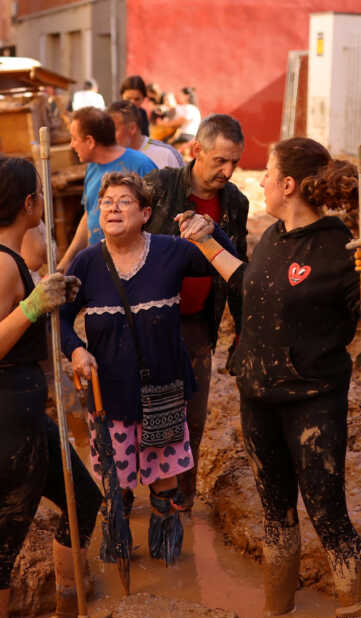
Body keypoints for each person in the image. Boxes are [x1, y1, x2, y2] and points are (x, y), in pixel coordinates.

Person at [179, 137, 361, 616]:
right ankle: (276, 616)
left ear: (288, 184)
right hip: (257, 396)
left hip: (312, 401)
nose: (259, 182)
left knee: (328, 515)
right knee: (275, 516)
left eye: (267, 174)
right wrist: (204, 240)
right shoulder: (274, 237)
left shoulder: (340, 245)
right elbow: (247, 282)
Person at [0, 156, 102, 618]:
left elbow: (24, 329)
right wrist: (32, 307)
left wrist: (52, 309)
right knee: (1, 541)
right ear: (29, 203)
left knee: (84, 500)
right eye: (38, 193)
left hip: (19, 413)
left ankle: (67, 610)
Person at [61, 172, 239, 565]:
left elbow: (225, 263)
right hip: (110, 397)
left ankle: (167, 556)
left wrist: (210, 231)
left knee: (164, 482)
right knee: (115, 484)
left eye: (124, 201)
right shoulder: (87, 263)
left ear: (145, 214)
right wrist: (75, 350)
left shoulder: (170, 251)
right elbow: (57, 320)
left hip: (163, 391)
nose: (113, 208)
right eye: (106, 202)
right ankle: (119, 550)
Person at [145, 114, 249, 504]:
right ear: (196, 151)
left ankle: (181, 500)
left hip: (198, 323)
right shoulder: (159, 187)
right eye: (221, 160)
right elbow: (121, 237)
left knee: (193, 417)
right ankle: (127, 497)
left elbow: (239, 268)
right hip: (149, 320)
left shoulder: (236, 202)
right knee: (139, 410)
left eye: (235, 162)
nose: (228, 170)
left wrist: (241, 329)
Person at [58, 108, 156, 269]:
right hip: (99, 265)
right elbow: (89, 215)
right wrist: (66, 262)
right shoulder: (91, 167)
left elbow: (157, 222)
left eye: (74, 138)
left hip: (132, 267)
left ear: (90, 141)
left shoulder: (141, 166)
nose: (71, 145)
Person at [108, 100, 183, 170]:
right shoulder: (106, 157)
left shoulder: (166, 155)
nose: (109, 135)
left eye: (114, 129)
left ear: (132, 128)